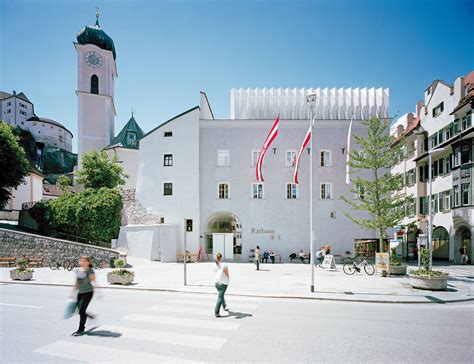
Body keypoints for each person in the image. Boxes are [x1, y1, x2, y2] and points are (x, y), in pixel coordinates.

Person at [71, 256, 96, 336]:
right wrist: (72, 293)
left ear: (88, 262)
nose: (81, 262)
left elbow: (93, 281)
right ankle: (88, 315)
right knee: (79, 310)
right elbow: (77, 282)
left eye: (83, 261)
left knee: (81, 311)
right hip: (80, 293)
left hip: (88, 293)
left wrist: (99, 292)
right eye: (81, 260)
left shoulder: (90, 270)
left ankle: (81, 329)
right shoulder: (78, 270)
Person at [213, 253, 229, 318]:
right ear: (221, 258)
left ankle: (224, 304)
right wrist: (228, 279)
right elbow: (227, 274)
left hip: (216, 283)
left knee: (221, 294)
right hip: (223, 283)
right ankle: (216, 312)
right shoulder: (224, 265)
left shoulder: (214, 265)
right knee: (220, 296)